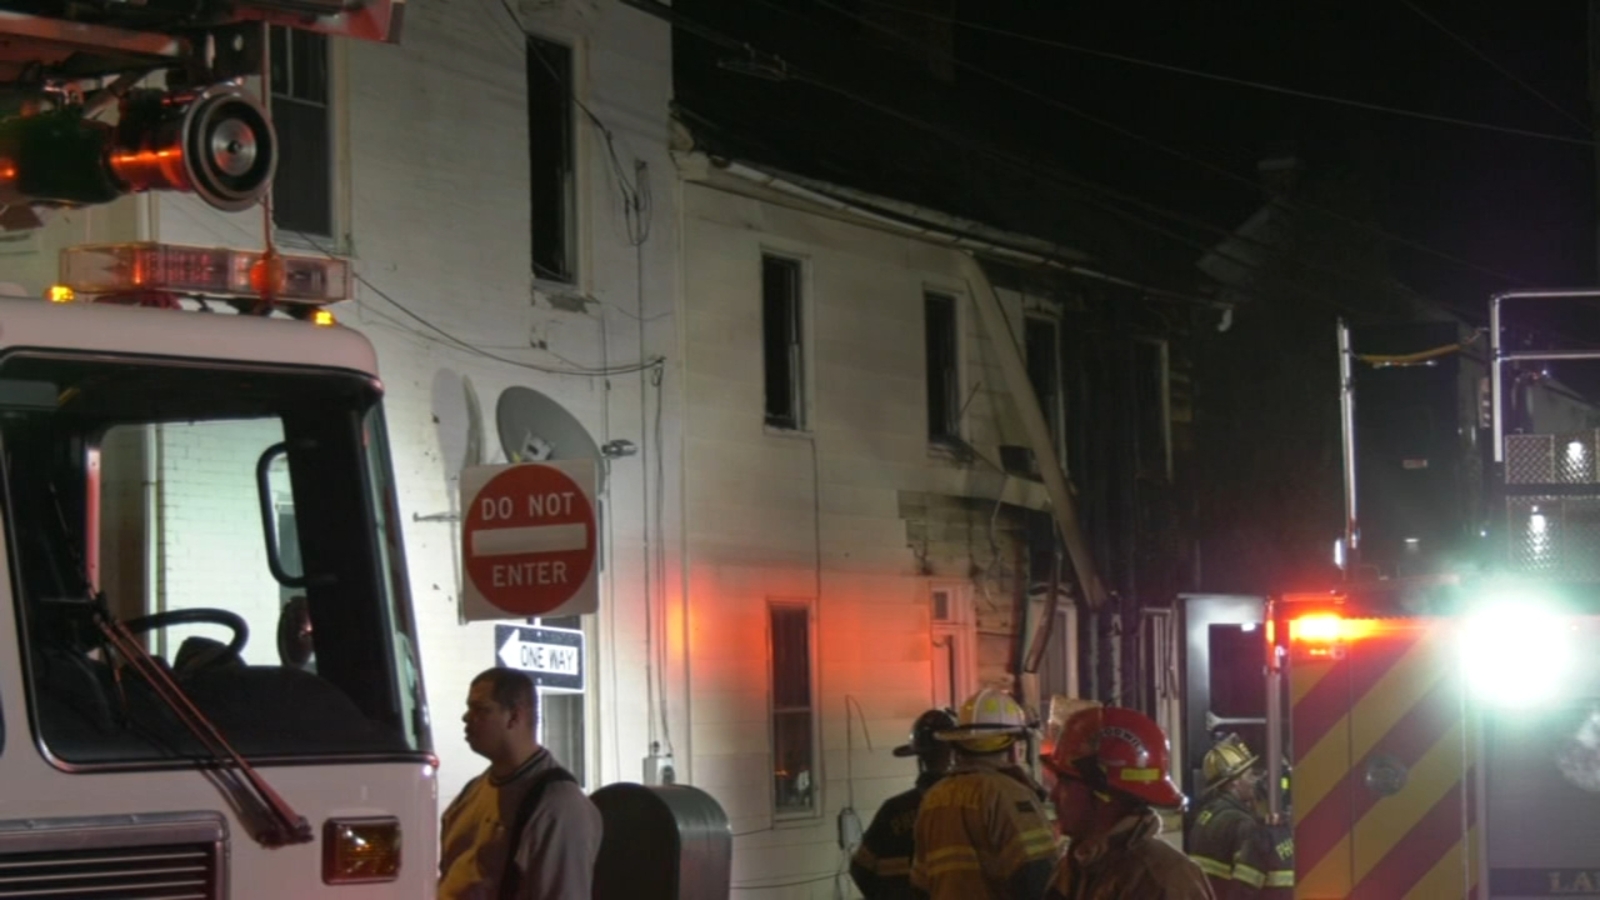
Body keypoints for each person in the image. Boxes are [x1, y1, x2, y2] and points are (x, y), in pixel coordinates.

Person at [439, 667, 602, 900]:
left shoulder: (559, 806)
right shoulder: (473, 791)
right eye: (469, 708)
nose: (466, 717)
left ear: (515, 716)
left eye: (480, 709)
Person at [1043, 704, 1214, 899]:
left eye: (1064, 783)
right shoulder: (1073, 867)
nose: (1053, 796)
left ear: (1104, 793)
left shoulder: (1165, 880)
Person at [909, 687, 1056, 899]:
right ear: (1014, 746)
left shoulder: (933, 798)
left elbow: (920, 885)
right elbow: (1036, 876)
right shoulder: (1011, 795)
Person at [851, 708, 957, 899]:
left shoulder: (892, 810)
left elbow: (860, 870)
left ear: (918, 756)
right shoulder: (966, 808)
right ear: (952, 754)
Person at [1187, 734, 1278, 900]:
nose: (1254, 782)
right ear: (1234, 782)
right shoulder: (1241, 823)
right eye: (1250, 776)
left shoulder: (1206, 814)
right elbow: (1245, 887)